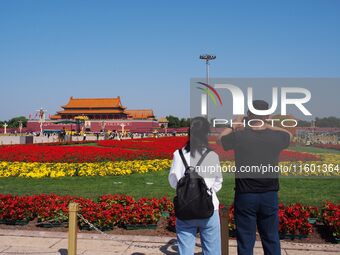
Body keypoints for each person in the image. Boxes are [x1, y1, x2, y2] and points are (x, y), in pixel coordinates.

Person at [217, 100, 292, 255]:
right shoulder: (276, 137)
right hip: (269, 195)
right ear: (268, 115)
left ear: (248, 114)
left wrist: (233, 124)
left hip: (246, 195)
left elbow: (219, 139)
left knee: (245, 239)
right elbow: (289, 135)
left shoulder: (240, 136)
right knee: (271, 237)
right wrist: (268, 125)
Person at [169, 117, 223, 255]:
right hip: (209, 207)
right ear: (206, 134)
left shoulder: (178, 154)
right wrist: (206, 191)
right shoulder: (212, 155)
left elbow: (173, 182)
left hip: (185, 207)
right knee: (212, 250)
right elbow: (218, 183)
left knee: (185, 250)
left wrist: (187, 191)